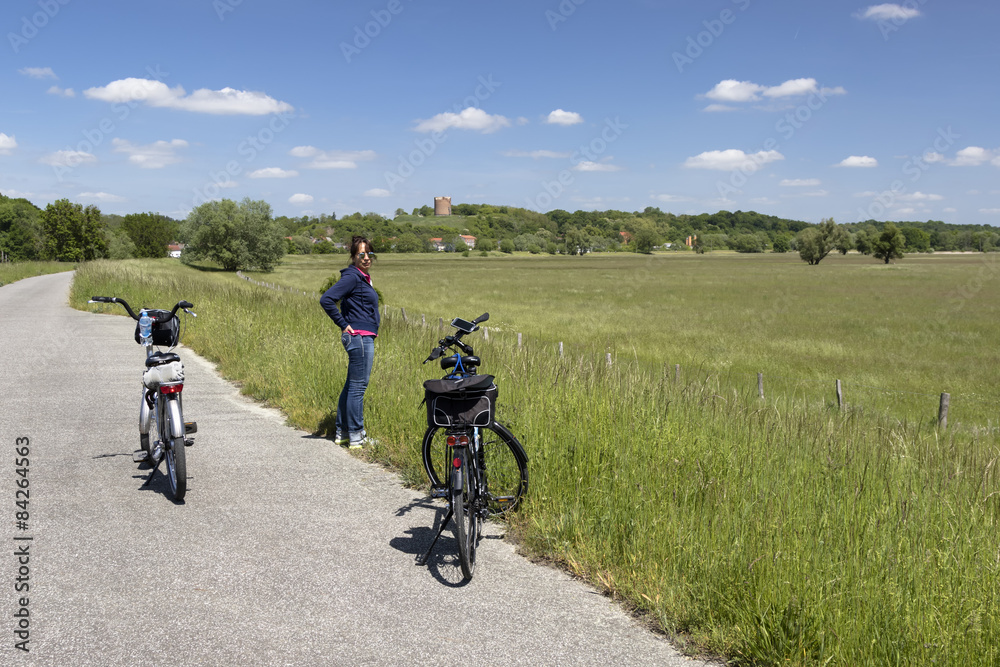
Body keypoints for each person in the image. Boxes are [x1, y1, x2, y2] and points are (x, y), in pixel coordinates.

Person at [320, 236, 380, 448]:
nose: (366, 258)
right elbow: (326, 299)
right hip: (359, 337)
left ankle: (343, 432)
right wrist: (343, 323)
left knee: (351, 386)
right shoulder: (353, 277)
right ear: (353, 257)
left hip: (362, 336)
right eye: (361, 254)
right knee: (358, 387)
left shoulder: (362, 277)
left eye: (369, 254)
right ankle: (356, 435)